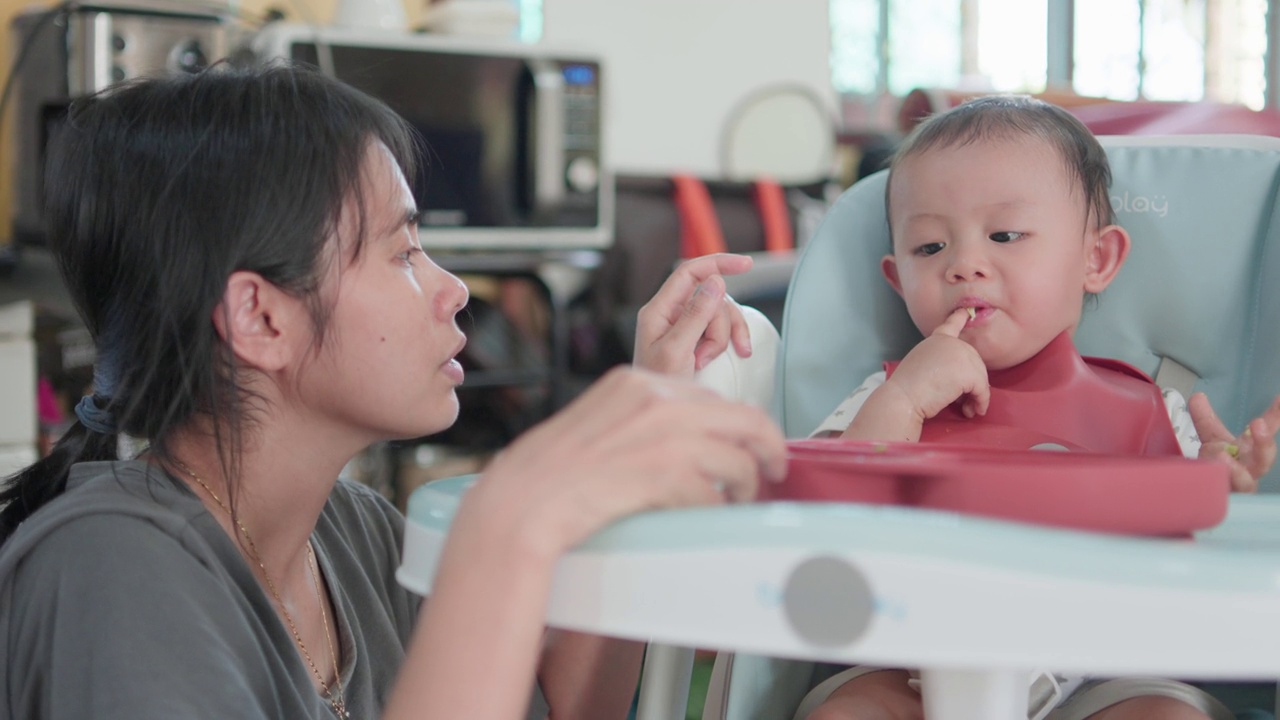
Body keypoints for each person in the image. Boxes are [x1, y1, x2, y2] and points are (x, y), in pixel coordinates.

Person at [0, 64, 786, 720]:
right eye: (403, 251)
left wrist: (629, 484)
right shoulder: (109, 570)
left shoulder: (354, 532)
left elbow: (562, 707)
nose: (452, 293)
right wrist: (508, 528)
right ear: (260, 318)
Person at [800, 95, 1280, 720]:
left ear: (1095, 260)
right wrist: (906, 400)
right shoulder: (883, 396)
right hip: (909, 663)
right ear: (896, 279)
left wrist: (1219, 489)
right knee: (849, 711)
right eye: (929, 248)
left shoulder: (1149, 410)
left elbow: (1190, 573)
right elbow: (819, 518)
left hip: (1097, 674)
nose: (965, 265)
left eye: (1005, 235)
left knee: (1167, 713)